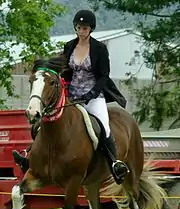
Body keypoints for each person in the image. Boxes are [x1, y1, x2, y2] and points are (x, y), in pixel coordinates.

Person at [12, 9, 129, 184]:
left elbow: (104, 76)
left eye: (85, 28)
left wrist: (92, 93)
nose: (81, 31)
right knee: (42, 123)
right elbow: (65, 71)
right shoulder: (70, 46)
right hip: (71, 96)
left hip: (93, 97)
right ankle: (30, 158)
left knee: (103, 127)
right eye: (79, 27)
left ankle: (115, 163)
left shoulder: (99, 49)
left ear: (91, 29)